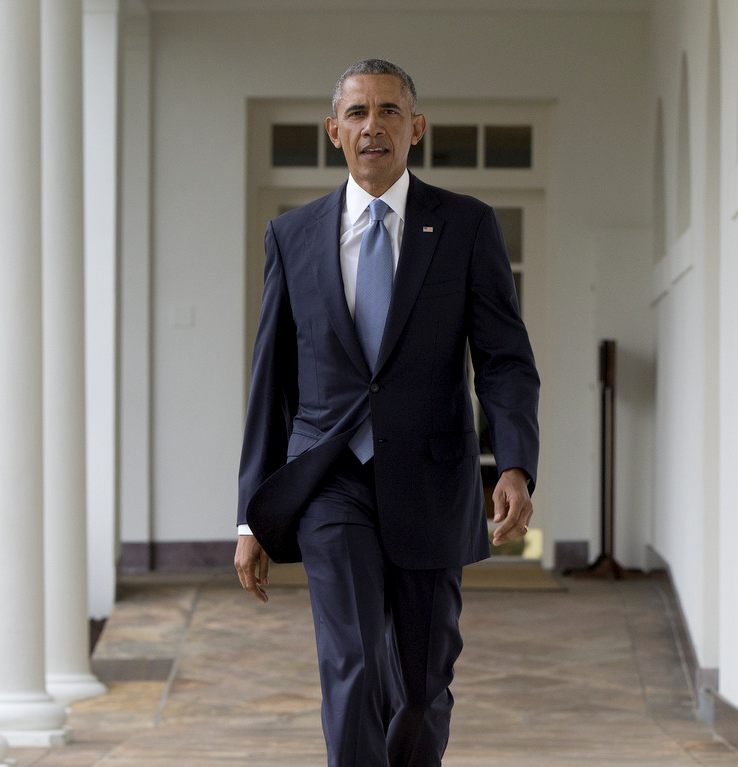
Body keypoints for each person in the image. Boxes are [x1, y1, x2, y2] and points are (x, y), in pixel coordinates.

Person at [234, 58, 540, 767]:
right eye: (359, 112)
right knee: (353, 667)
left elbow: (503, 358)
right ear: (334, 131)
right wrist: (250, 517)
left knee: (424, 687)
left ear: (417, 128)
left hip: (434, 481)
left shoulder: (465, 227)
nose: (374, 125)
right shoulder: (293, 236)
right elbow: (270, 382)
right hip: (330, 478)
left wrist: (515, 462)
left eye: (390, 111)